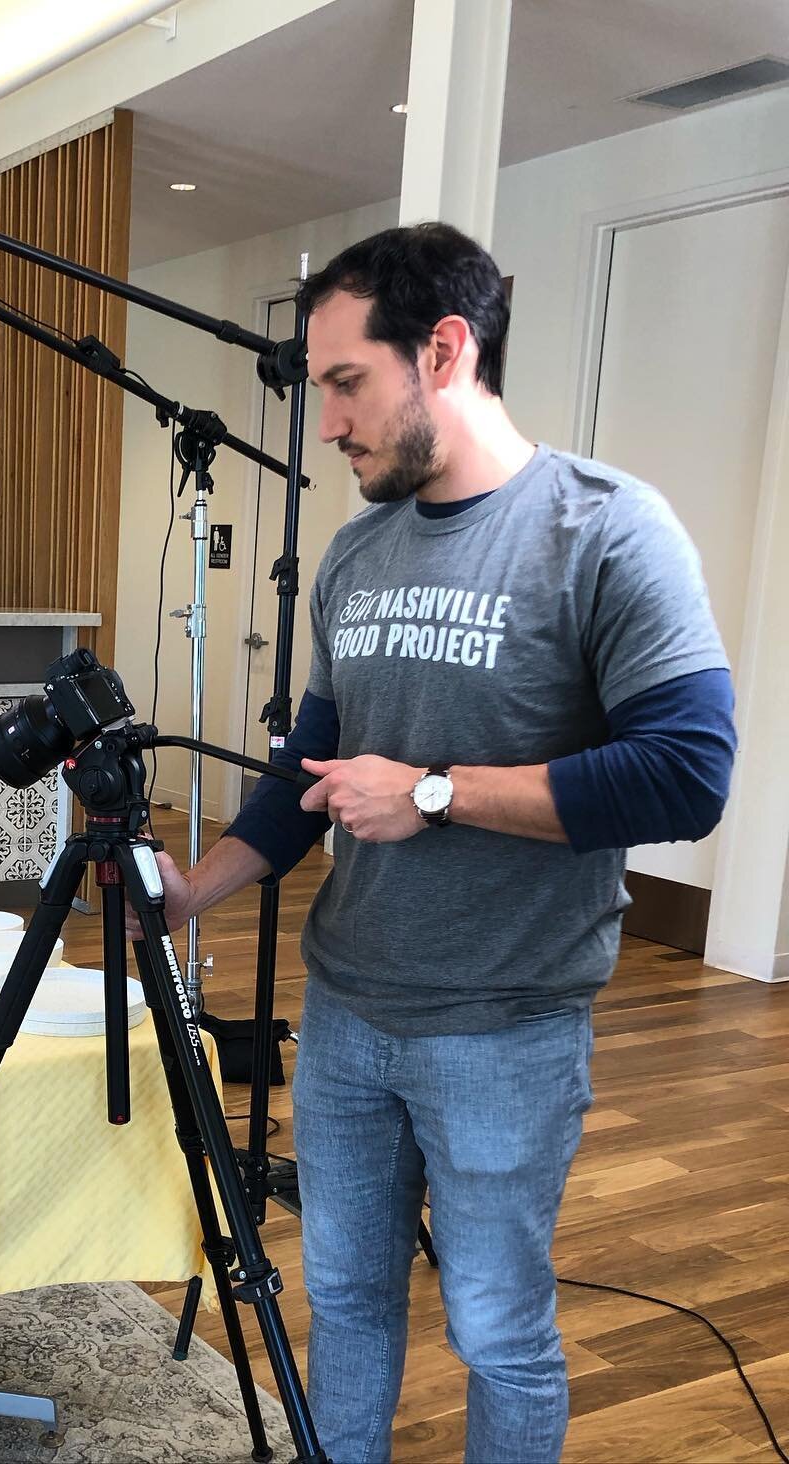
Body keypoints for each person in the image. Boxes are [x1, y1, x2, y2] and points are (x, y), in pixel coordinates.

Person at [148, 222, 738, 1462]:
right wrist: (193, 890)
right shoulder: (356, 556)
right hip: (349, 1017)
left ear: (446, 351)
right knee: (348, 1301)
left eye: (348, 382)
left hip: (506, 1030)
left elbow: (689, 774)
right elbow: (303, 778)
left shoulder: (608, 532)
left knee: (498, 1331)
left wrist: (431, 792)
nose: (328, 423)